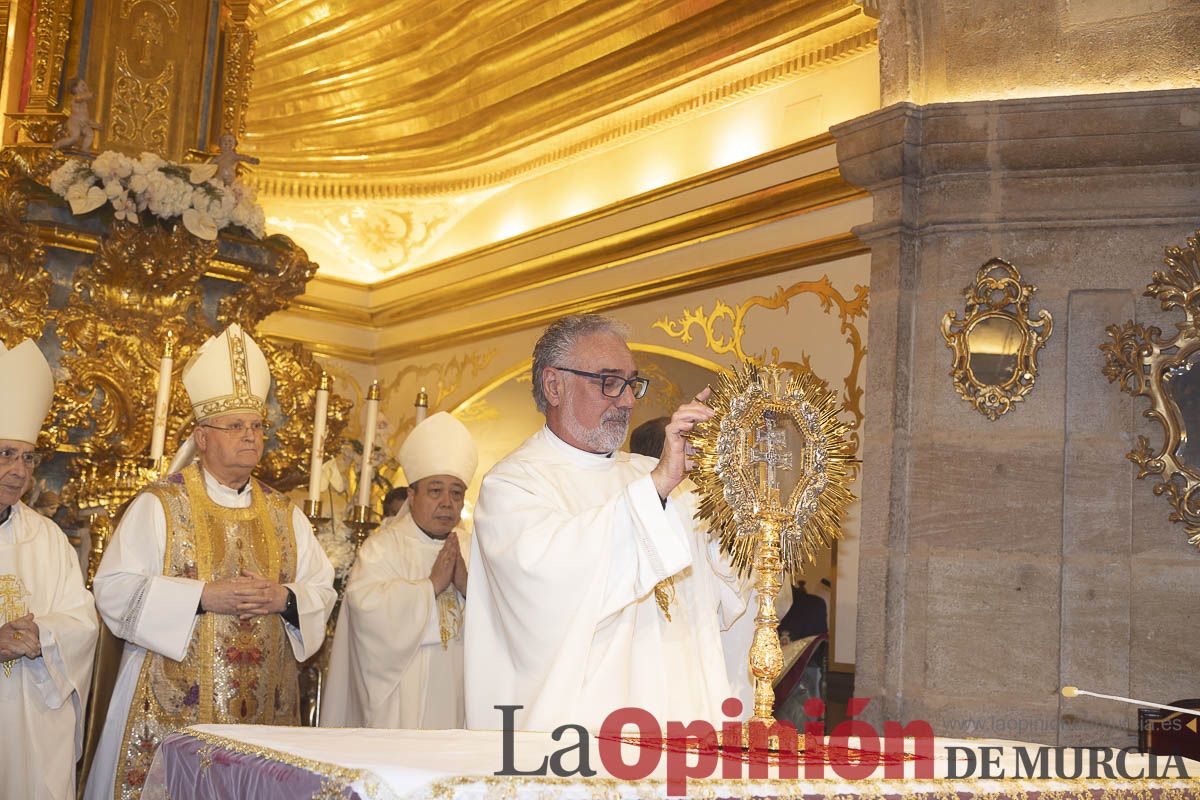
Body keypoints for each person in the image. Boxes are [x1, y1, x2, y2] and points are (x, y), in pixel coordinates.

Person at [84, 324, 335, 800]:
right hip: (170, 706)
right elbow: (113, 589)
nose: (250, 437)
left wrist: (285, 598)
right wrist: (201, 596)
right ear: (202, 436)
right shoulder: (159, 505)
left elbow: (322, 590)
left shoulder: (285, 513)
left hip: (265, 707)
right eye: (236, 426)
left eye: (257, 426)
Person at [464, 314, 747, 731]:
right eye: (609, 382)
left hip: (683, 724)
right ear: (554, 385)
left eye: (632, 383)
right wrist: (658, 488)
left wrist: (738, 490)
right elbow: (553, 584)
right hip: (585, 742)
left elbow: (729, 593)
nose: (629, 400)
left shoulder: (657, 478)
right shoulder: (514, 485)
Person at [322, 411, 477, 729]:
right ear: (412, 495)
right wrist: (429, 586)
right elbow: (367, 611)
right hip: (400, 703)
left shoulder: (476, 550)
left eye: (456, 492)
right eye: (435, 491)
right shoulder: (382, 548)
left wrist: (468, 588)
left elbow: (510, 623)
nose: (447, 502)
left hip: (461, 694)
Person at [0, 339, 98, 800]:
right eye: (5, 454)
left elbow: (82, 620)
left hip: (33, 721)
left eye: (27, 457)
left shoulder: (48, 538)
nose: (18, 470)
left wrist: (44, 636)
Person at [52, 78, 102, 151]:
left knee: (90, 134)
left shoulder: (84, 104)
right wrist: (90, 95)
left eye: (85, 85)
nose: (86, 87)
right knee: (75, 137)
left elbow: (86, 118)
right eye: (83, 85)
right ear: (75, 89)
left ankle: (84, 148)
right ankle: (58, 144)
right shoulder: (76, 98)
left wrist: (95, 125)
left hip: (83, 124)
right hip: (74, 122)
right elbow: (80, 98)